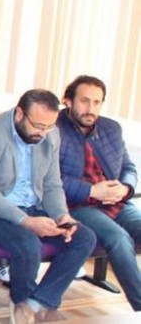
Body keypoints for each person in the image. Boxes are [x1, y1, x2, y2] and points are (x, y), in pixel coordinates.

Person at [0, 89, 97, 323]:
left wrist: (62, 216)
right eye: (38, 126)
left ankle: (36, 303)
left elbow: (52, 184)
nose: (43, 133)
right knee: (28, 243)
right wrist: (26, 221)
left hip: (34, 207)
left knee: (83, 238)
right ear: (19, 114)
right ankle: (21, 300)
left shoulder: (51, 135)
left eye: (49, 127)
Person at [57, 76, 140, 311]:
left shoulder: (111, 129)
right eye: (84, 101)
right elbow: (48, 180)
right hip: (77, 205)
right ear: (68, 101)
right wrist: (92, 190)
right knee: (118, 239)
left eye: (97, 102)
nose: (90, 109)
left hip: (115, 202)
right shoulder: (53, 129)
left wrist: (126, 188)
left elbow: (128, 167)